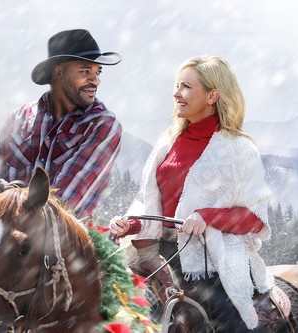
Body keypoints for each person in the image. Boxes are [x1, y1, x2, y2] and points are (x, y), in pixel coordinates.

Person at [109, 56, 272, 332]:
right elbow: (153, 204)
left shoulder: (241, 150)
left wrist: (206, 217)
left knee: (233, 324)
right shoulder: (167, 144)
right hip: (161, 254)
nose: (176, 93)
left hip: (212, 264)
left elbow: (255, 218)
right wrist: (131, 223)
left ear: (212, 95)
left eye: (186, 86)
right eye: (176, 85)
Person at [0, 29, 123, 219]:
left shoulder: (102, 125)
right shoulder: (16, 120)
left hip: (63, 243)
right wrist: (1, 190)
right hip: (4, 235)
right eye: (85, 71)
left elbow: (65, 202)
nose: (95, 80)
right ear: (58, 72)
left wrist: (6, 195)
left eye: (97, 72)